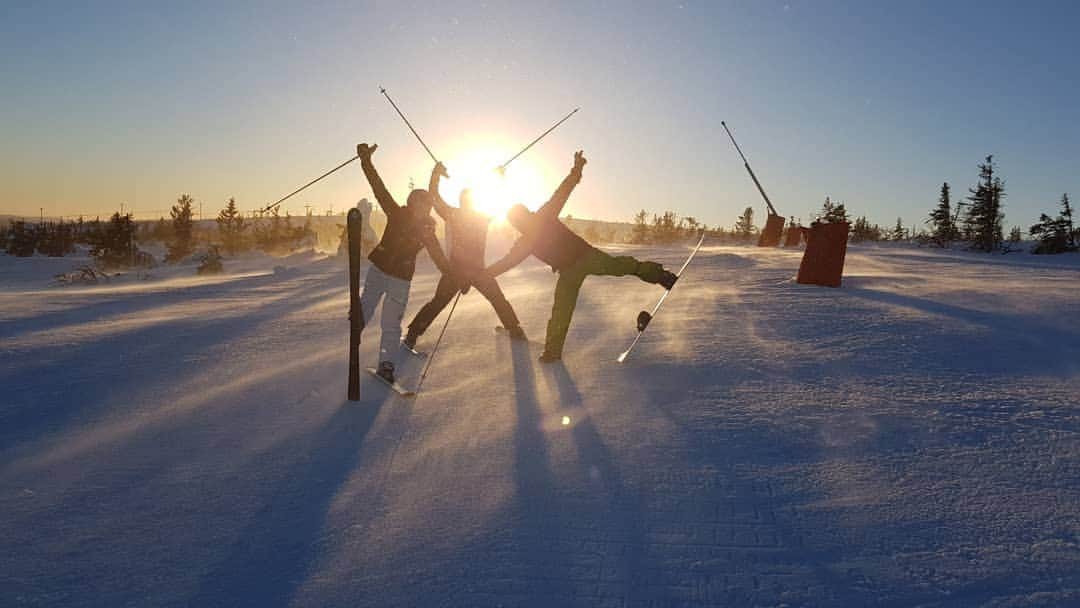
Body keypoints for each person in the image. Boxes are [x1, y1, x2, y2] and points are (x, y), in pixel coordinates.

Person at [477, 151, 677, 362]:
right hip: (570, 270)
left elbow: (563, 191)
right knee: (563, 308)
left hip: (585, 256)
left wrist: (577, 169)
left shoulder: (540, 219)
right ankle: (553, 352)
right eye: (517, 221)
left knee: (621, 267)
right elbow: (509, 260)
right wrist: (486, 273)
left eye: (520, 218)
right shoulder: (527, 237)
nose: (520, 222)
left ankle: (662, 276)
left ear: (525, 214)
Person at [354, 142, 459, 383]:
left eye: (426, 205)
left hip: (400, 281)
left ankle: (387, 365)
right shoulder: (396, 212)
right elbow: (378, 187)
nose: (422, 208)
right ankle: (354, 334)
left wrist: (452, 275)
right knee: (365, 309)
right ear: (411, 203)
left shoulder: (427, 229)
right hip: (379, 271)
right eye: (418, 204)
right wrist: (366, 161)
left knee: (391, 324)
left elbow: (437, 255)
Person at [403, 161, 525, 349]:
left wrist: (435, 174)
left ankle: (412, 335)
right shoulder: (482, 215)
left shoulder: (454, 213)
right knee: (497, 298)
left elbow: (434, 197)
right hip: (476, 271)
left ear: (461, 201)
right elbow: (496, 197)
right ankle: (515, 329)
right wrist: (499, 177)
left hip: (456, 270)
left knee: (438, 302)